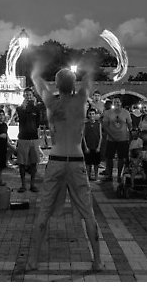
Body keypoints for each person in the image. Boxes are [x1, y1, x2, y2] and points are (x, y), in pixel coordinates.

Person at [27, 65, 101, 272]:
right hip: (77, 160)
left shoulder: (51, 101)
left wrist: (37, 63)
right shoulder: (82, 100)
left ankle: (33, 260)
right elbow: (90, 75)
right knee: (88, 213)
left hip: (57, 159)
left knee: (44, 212)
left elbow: (35, 77)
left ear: (58, 85)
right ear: (74, 84)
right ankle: (98, 261)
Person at [14, 87, 42, 193]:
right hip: (23, 138)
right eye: (26, 95)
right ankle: (23, 185)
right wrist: (23, 108)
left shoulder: (37, 109)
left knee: (34, 162)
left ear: (33, 96)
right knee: (22, 163)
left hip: (34, 139)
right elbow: (18, 119)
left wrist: (38, 139)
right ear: (23, 96)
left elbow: (38, 124)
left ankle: (32, 184)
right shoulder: (20, 108)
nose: (28, 97)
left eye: (30, 95)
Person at [101, 97, 132, 182]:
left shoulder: (126, 113)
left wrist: (131, 135)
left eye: (118, 102)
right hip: (111, 139)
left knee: (121, 158)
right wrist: (111, 135)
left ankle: (119, 175)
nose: (117, 103)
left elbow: (130, 125)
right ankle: (109, 175)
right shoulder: (107, 113)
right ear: (112, 104)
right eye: (115, 102)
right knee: (109, 157)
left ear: (121, 103)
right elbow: (105, 125)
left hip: (123, 139)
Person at [82, 108, 102, 181]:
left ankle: (96, 177)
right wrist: (86, 147)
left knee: (96, 163)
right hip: (88, 146)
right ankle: (88, 177)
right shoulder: (85, 124)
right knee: (88, 163)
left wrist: (99, 147)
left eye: (93, 114)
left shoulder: (98, 124)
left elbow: (100, 136)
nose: (91, 115)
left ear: (95, 115)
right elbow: (83, 136)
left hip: (96, 146)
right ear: (88, 115)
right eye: (90, 114)